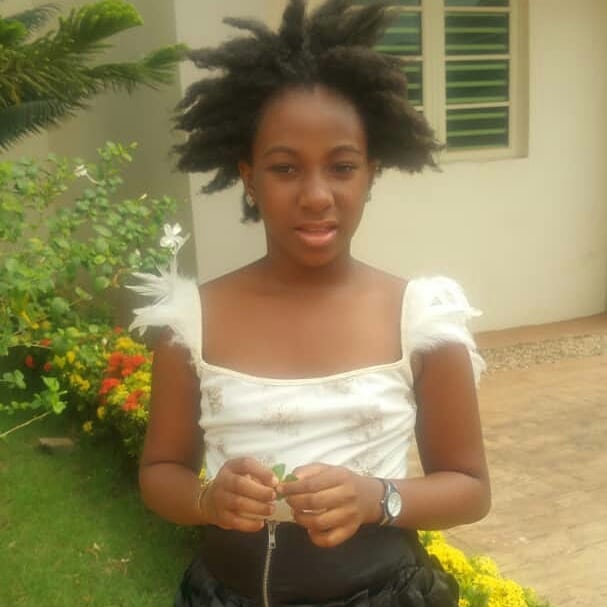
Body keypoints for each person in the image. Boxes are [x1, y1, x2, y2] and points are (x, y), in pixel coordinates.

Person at [129, 1, 491, 606]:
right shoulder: (192, 323)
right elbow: (159, 472)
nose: (317, 195)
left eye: (342, 167)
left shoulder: (420, 320)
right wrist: (207, 499)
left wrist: (378, 497)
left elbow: (471, 488)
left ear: (371, 173)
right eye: (285, 168)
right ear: (249, 177)